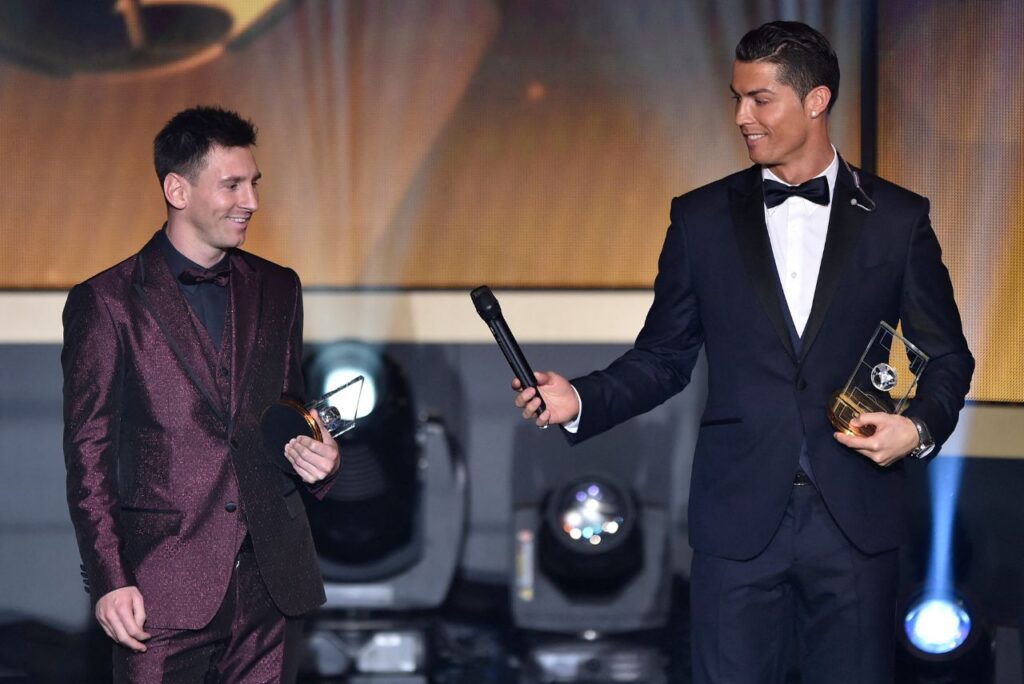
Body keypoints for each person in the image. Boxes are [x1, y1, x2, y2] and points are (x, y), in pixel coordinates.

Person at [513, 21, 973, 683]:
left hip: (856, 519)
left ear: (815, 101)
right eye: (736, 97)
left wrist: (920, 427)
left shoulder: (897, 219)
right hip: (737, 519)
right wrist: (582, 397)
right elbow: (664, 357)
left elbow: (946, 355)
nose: (741, 116)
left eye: (760, 99)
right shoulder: (700, 219)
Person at [62, 106, 340, 682]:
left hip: (270, 581)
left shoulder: (279, 287)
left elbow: (288, 413)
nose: (251, 202)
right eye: (232, 184)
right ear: (177, 188)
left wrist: (319, 455)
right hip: (160, 586)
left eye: (254, 184)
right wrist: (111, 577)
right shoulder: (107, 302)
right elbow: (88, 456)